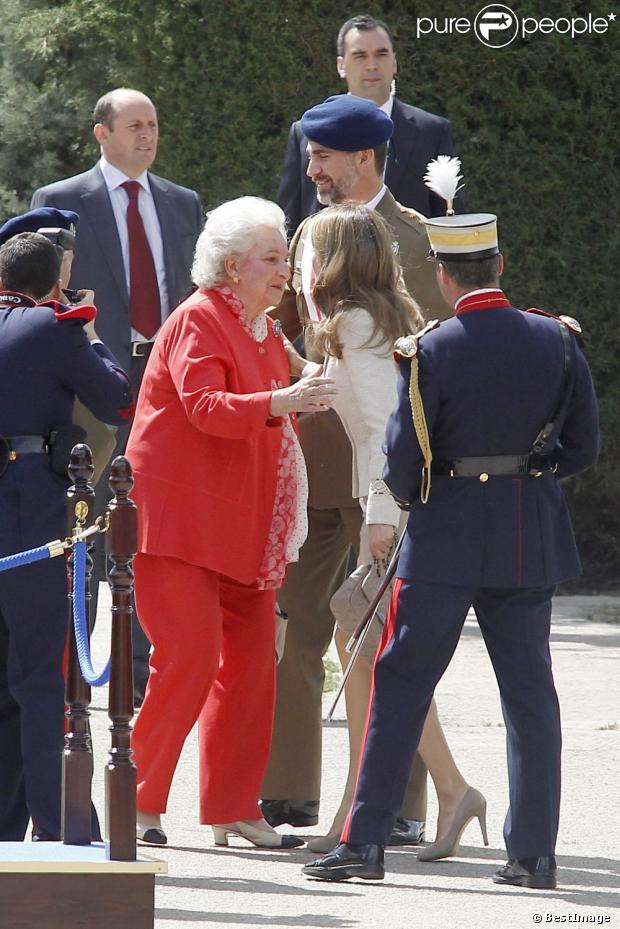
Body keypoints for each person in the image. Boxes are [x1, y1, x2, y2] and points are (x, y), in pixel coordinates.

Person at [303, 184, 600, 886]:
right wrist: (532, 473)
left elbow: (403, 465)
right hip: (528, 535)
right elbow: (583, 447)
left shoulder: (430, 350)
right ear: (500, 265)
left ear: (444, 274)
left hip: (442, 539)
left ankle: (366, 841)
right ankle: (533, 854)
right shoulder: (557, 339)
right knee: (530, 695)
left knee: (401, 681)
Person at [262, 94, 451, 844]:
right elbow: (290, 327)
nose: (313, 171)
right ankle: (288, 793)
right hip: (316, 455)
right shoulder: (308, 231)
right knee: (297, 622)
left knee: (387, 635)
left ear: (364, 157)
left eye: (323, 158)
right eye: (311, 157)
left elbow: (432, 348)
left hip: (387, 466)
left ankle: (398, 802)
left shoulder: (417, 234)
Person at [125, 197, 337, 850]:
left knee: (250, 668)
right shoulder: (199, 318)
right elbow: (206, 407)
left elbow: (311, 377)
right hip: (182, 522)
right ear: (230, 265)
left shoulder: (265, 329)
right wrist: (284, 398)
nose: (283, 271)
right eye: (271, 259)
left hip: (243, 525)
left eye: (284, 258)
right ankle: (137, 803)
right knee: (188, 658)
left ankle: (234, 809)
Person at [303, 202, 486, 856]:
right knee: (370, 652)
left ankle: (436, 789)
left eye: (313, 252)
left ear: (336, 260)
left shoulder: (356, 321)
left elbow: (388, 426)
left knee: (372, 652)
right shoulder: (379, 317)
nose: (306, 265)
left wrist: (381, 512)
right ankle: (386, 801)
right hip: (387, 504)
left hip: (390, 506)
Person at [31, 87, 204, 699]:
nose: (147, 135)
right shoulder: (61, 201)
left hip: (167, 374)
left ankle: (138, 673)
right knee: (87, 519)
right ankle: (75, 671)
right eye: (134, 125)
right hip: (92, 375)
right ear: (101, 133)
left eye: (153, 124)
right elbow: (42, 294)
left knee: (149, 525)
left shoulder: (183, 204)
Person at [0, 232, 133, 841]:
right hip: (28, 512)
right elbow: (117, 397)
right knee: (36, 676)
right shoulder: (56, 327)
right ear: (54, 284)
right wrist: (89, 330)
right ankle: (57, 830)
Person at [277, 14, 458, 235]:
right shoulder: (305, 132)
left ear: (394, 63)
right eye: (360, 56)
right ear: (341, 66)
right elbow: (290, 218)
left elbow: (449, 218)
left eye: (381, 55)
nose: (372, 65)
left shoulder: (431, 131)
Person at [0, 208, 117, 485]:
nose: (69, 268)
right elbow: (112, 408)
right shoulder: (55, 329)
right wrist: (88, 332)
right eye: (65, 259)